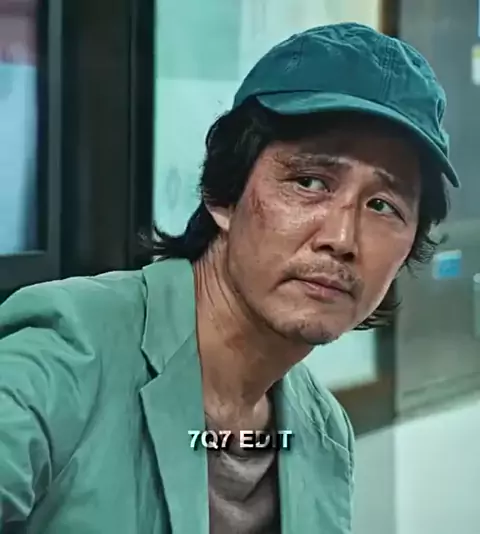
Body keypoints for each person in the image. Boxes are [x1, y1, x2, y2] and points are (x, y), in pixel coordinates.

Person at [0, 22, 457, 534]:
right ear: (223, 194)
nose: (342, 238)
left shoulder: (323, 432)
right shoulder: (70, 350)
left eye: (383, 205)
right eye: (310, 182)